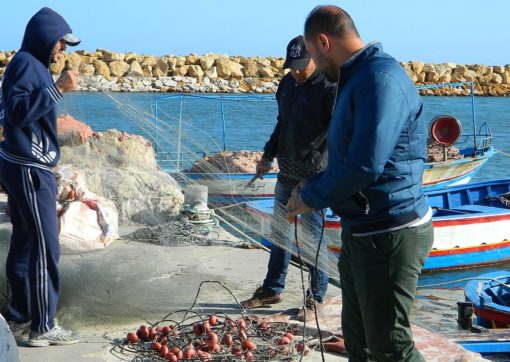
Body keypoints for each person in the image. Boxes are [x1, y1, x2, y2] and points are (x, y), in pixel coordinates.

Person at [286, 5, 434, 361]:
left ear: (323, 42)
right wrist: (312, 186)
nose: (316, 66)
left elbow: (366, 164)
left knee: (390, 347)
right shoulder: (357, 76)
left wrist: (312, 197)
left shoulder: (378, 79)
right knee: (359, 341)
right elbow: (347, 159)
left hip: (390, 231)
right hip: (362, 231)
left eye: (314, 56)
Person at [0, 7, 81, 346]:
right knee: (46, 247)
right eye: (61, 42)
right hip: (29, 168)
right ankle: (42, 326)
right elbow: (17, 114)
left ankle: (18, 319)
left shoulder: (29, 65)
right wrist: (58, 88)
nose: (63, 49)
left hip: (22, 163)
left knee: (24, 242)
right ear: (45, 38)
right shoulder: (25, 65)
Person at [241, 35, 336, 321]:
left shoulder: (329, 88)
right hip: (286, 173)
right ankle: (272, 288)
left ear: (313, 60)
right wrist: (267, 156)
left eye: (301, 66)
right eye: (291, 66)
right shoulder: (287, 85)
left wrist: (323, 177)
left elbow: (338, 136)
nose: (296, 71)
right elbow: (282, 124)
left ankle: (315, 297)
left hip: (314, 179)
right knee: (280, 233)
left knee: (312, 238)